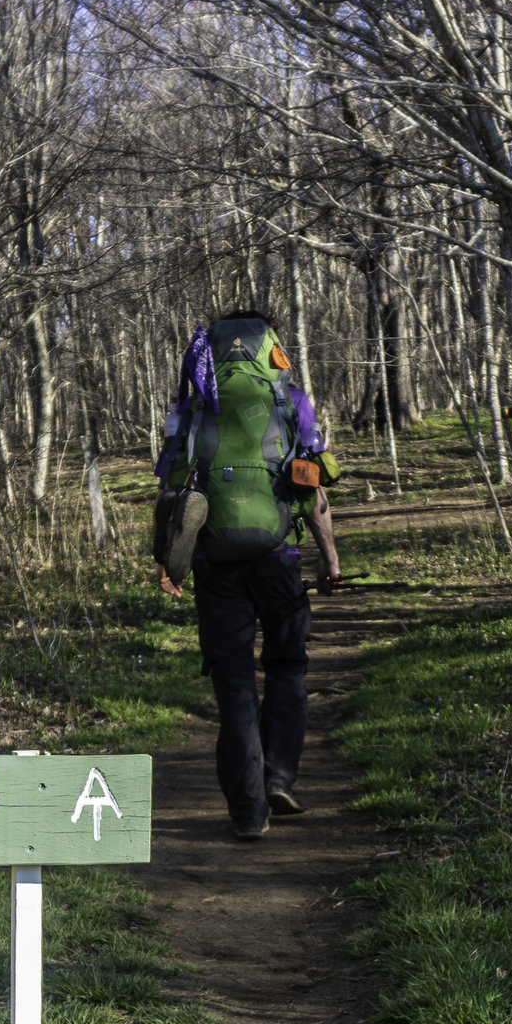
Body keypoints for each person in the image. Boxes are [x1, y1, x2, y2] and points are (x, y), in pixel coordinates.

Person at [155, 311, 345, 840]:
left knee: (234, 683)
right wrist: (330, 560)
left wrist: (167, 562)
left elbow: (171, 489)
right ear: (272, 348)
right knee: (287, 667)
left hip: (215, 562)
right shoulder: (292, 401)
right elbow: (312, 487)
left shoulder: (190, 407)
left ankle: (249, 809)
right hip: (280, 557)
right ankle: (280, 776)